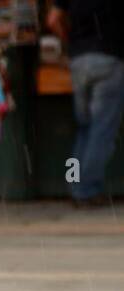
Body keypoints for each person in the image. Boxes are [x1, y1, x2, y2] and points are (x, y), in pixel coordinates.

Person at [49, 0, 124, 208]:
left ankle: (73, 184)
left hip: (79, 61)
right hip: (110, 58)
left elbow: (53, 19)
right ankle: (86, 190)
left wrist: (70, 40)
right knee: (102, 132)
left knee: (83, 129)